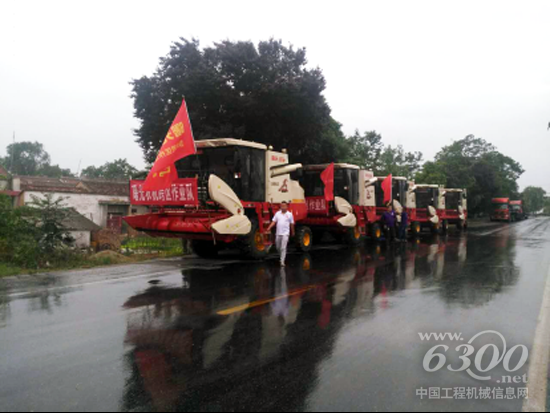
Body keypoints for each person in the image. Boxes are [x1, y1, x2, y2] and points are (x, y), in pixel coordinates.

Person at [267, 202, 296, 267]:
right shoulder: (277, 213)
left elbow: (292, 224)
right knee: (277, 246)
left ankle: (282, 261)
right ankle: (281, 256)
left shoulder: (289, 214)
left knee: (283, 247)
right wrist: (269, 227)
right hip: (278, 233)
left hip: (285, 233)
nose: (283, 207)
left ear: (287, 207)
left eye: (284, 206)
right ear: (280, 207)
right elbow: (274, 222)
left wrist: (293, 232)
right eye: (282, 206)